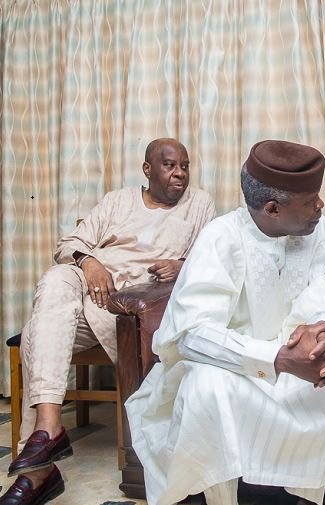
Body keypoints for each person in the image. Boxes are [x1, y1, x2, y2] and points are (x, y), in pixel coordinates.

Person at [125, 140, 325, 505]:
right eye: (310, 200)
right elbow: (192, 335)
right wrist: (278, 360)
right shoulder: (220, 238)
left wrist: (317, 333)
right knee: (206, 388)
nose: (321, 206)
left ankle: (288, 492)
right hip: (233, 360)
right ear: (272, 208)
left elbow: (324, 288)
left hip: (297, 351)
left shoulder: (321, 233)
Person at [0, 138, 216, 505]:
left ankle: (37, 469)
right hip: (84, 287)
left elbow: (210, 258)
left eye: (184, 165)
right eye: (169, 165)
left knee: (41, 328)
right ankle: (50, 426)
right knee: (56, 278)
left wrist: (180, 267)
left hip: (125, 305)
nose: (179, 173)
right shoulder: (117, 200)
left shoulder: (199, 204)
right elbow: (69, 244)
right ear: (147, 170)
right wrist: (90, 262)